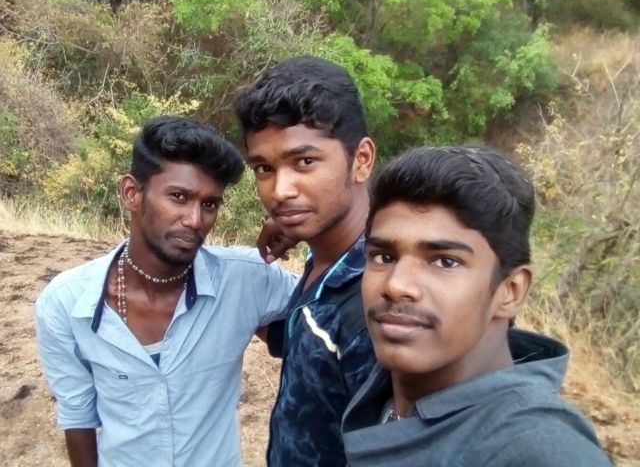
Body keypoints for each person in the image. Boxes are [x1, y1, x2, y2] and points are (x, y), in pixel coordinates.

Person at [35, 116, 297, 467]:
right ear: (132, 193)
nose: (194, 219)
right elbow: (77, 416)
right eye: (178, 197)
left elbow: (341, 298)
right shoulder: (65, 303)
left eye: (209, 204)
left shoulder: (248, 279)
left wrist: (306, 230)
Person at [342, 146, 612, 466]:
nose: (396, 285)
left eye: (444, 262)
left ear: (511, 291)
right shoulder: (382, 390)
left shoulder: (539, 450)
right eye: (384, 257)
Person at [234, 56, 377, 466]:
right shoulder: (326, 258)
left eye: (305, 162)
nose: (280, 191)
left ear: (361, 160)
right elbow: (306, 344)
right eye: (264, 168)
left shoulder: (377, 305)